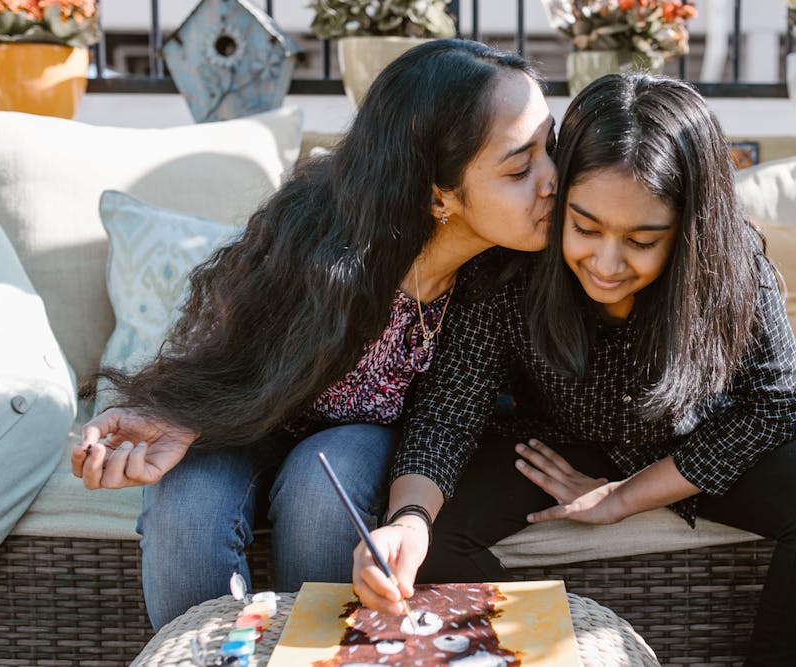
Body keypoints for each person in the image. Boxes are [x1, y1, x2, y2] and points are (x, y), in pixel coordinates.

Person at [353, 73, 796, 665]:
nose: (606, 263)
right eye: (585, 227)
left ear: (690, 231)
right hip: (557, 446)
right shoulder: (509, 267)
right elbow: (447, 409)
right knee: (432, 542)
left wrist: (626, 496)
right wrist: (410, 521)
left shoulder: (733, 262)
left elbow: (778, 403)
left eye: (642, 241)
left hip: (691, 444)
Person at [70, 39, 557, 631]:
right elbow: (234, 360)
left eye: (548, 148)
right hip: (246, 422)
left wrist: (408, 519)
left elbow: (445, 418)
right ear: (438, 194)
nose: (552, 179)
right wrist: (175, 416)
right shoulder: (321, 235)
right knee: (185, 507)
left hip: (354, 444)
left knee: (322, 491)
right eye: (519, 165)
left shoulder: (502, 274)